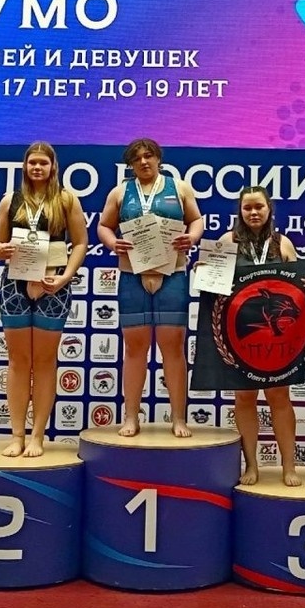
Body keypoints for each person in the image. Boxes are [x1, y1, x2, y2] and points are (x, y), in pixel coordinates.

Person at [98, 139, 203, 438]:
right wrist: (112, 242)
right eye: (137, 158)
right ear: (130, 165)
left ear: (158, 159)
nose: (144, 162)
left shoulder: (179, 188)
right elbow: (104, 226)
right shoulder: (120, 192)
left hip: (172, 275)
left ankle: (179, 418)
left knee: (173, 349)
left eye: (149, 156)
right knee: (134, 349)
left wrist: (192, 238)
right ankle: (131, 417)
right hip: (133, 275)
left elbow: (196, 220)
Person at [0, 142, 89, 457]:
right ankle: (17, 435)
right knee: (18, 361)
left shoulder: (66, 200)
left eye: (43, 163)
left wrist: (65, 277)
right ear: (25, 166)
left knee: (45, 362)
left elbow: (81, 243)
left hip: (53, 286)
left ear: (52, 167)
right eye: (32, 162)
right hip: (15, 286)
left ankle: (37, 436)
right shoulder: (10, 200)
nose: (37, 168)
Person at [206, 186, 301, 486]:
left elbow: (301, 287)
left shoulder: (283, 244)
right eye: (247, 208)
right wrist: (204, 272)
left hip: (277, 339)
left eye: (259, 206)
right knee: (244, 397)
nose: (253, 212)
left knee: (279, 397)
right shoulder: (227, 242)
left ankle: (289, 467)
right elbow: (213, 287)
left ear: (269, 209)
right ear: (240, 211)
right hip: (241, 337)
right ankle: (251, 465)